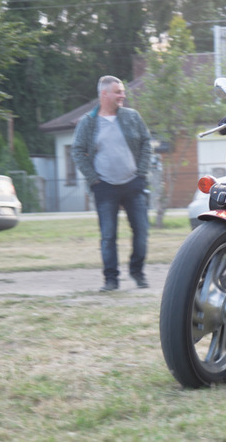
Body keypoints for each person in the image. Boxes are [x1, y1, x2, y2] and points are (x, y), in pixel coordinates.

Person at [72, 75, 152, 292]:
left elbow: (146, 142)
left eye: (123, 91)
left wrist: (141, 173)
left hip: (133, 184)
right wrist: (93, 180)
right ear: (104, 94)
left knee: (142, 232)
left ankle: (137, 271)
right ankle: (111, 279)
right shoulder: (88, 122)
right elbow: (77, 151)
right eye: (118, 92)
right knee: (108, 236)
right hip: (105, 187)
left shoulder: (132, 116)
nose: (122, 95)